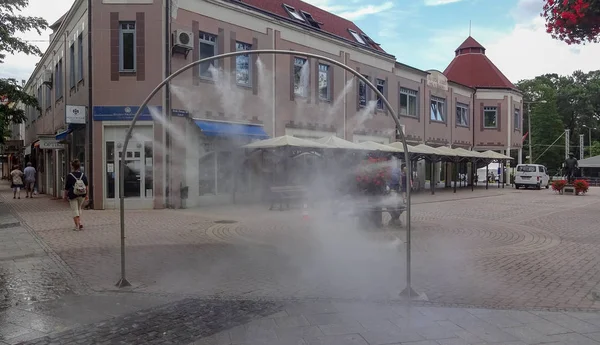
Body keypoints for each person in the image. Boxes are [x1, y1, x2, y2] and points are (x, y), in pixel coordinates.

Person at [64, 159, 89, 231]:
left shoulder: (70, 175)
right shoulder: (83, 175)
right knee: (79, 208)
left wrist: (65, 196)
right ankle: (80, 222)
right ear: (79, 166)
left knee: (74, 210)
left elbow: (67, 187)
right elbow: (86, 186)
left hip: (73, 195)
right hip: (82, 194)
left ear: (72, 166)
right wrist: (86, 195)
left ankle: (77, 225)